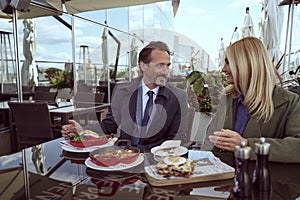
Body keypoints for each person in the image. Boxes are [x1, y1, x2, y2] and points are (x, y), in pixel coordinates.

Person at [62, 41, 188, 152]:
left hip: (157, 160)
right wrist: (83, 130)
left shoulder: (179, 97)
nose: (165, 71)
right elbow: (109, 126)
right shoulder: (123, 92)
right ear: (143, 66)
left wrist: (145, 152)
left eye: (168, 65)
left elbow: (178, 138)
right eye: (160, 65)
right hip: (124, 158)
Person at [202, 37, 300, 165]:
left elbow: (297, 146)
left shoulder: (289, 102)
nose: (223, 69)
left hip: (267, 180)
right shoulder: (228, 98)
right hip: (225, 177)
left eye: (228, 63)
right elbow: (210, 140)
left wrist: (248, 145)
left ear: (246, 64)